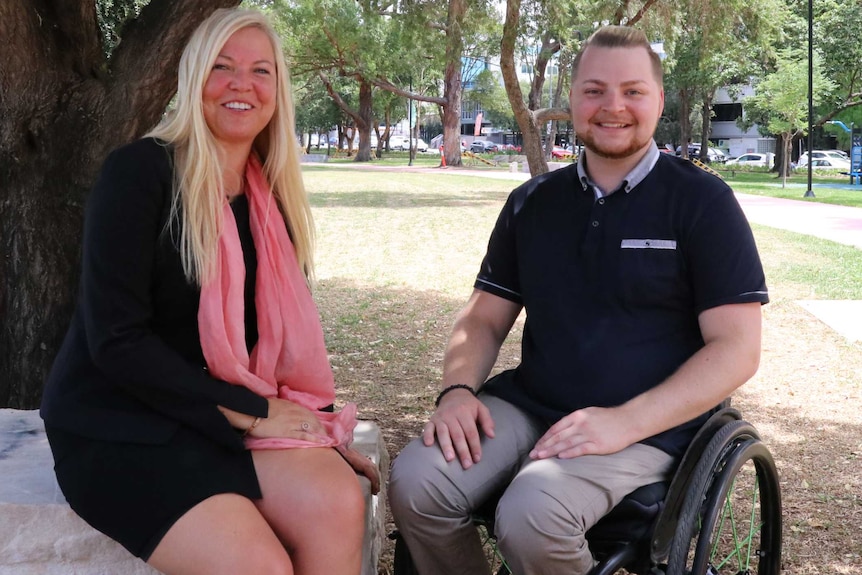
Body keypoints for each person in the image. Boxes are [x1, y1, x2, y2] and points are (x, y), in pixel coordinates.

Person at [388, 25, 768, 575]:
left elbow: (736, 350)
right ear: (571, 100)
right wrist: (455, 392)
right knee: (417, 483)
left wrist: (622, 423)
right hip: (530, 406)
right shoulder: (532, 204)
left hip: (651, 427)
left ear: (659, 101)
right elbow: (483, 320)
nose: (613, 106)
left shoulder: (703, 202)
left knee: (531, 513)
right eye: (594, 90)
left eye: (633, 91)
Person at [40, 8, 378, 575]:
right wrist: (253, 413)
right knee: (259, 567)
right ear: (194, 78)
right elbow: (117, 341)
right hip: (119, 423)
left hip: (214, 416)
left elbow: (273, 344)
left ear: (277, 91)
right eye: (222, 66)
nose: (241, 84)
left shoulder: (271, 201)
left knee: (339, 500)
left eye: (260, 70)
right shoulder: (138, 174)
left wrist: (313, 429)